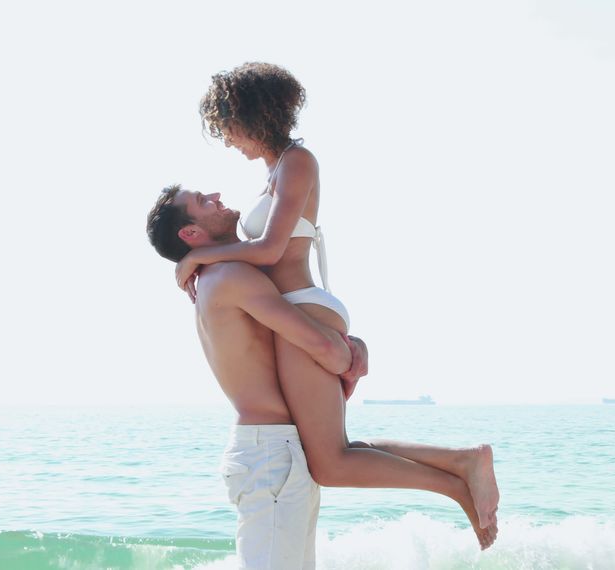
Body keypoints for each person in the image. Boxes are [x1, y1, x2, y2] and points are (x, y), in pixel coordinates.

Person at [178, 62, 500, 531]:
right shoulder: (275, 169)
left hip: (305, 304)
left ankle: (457, 482)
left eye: (226, 127)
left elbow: (269, 251)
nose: (228, 140)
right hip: (302, 309)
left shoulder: (298, 162)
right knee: (335, 450)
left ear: (250, 116)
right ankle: (463, 462)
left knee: (330, 464)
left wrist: (197, 259)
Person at [148, 186, 499, 554]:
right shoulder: (231, 276)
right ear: (190, 233)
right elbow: (323, 347)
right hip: (269, 456)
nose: (216, 195)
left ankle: (460, 468)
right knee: (336, 460)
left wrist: (349, 349)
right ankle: (457, 480)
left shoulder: (226, 274)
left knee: (339, 453)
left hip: (278, 452)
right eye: (203, 201)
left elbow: (294, 339)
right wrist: (349, 358)